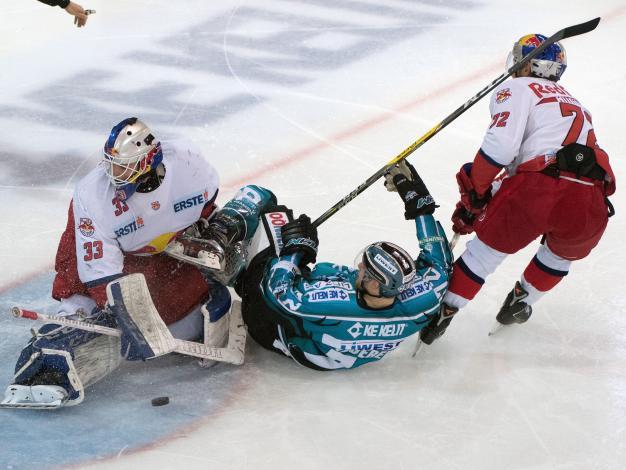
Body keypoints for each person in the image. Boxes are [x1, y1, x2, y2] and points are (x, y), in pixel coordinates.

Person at [2, 118, 233, 408]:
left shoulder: (187, 161)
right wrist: (128, 318)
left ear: (148, 161)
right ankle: (70, 320)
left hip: (167, 251)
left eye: (123, 166)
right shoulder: (94, 196)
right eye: (111, 164)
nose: (113, 174)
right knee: (85, 294)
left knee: (182, 315)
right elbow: (101, 275)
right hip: (124, 258)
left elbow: (209, 210)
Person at [418, 33, 616, 344]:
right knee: (559, 254)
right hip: (590, 200)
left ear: (523, 64)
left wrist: (476, 194)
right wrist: (486, 194)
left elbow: (501, 148)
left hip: (539, 190)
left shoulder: (515, 87)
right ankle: (520, 302)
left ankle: (442, 316)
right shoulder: (578, 104)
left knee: (483, 255)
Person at [199, 161, 452, 370]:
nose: (359, 268)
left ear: (375, 283)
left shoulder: (330, 305)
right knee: (318, 268)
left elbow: (277, 293)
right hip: (315, 337)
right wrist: (419, 205)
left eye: (364, 267)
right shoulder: (420, 303)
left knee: (263, 200)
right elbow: (439, 264)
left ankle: (220, 247)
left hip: (269, 325)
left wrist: (295, 251)